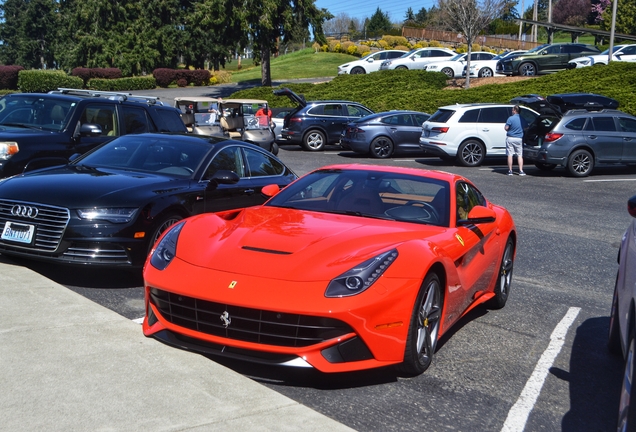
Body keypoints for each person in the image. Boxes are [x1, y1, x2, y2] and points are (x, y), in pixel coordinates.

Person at [504, 105, 525, 176]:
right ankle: (521, 170)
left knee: (510, 154)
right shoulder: (522, 119)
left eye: (512, 110)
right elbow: (526, 127)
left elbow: (506, 128)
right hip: (519, 138)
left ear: (515, 110)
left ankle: (510, 170)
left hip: (510, 138)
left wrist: (508, 128)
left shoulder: (510, 118)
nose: (512, 111)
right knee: (519, 155)